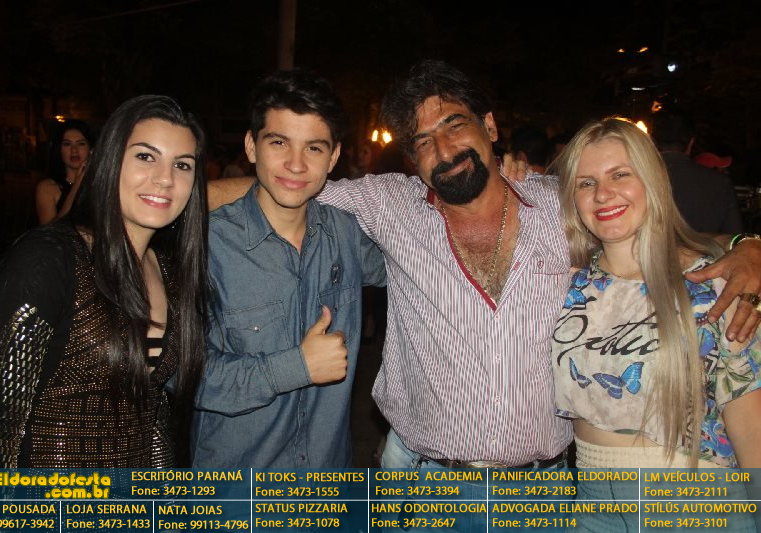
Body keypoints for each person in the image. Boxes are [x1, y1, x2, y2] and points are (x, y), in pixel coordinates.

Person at [207, 60, 761, 471]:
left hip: (538, 488)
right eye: (423, 141)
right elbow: (287, 185)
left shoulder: (561, 204)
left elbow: (649, 230)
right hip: (423, 479)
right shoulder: (389, 205)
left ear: (490, 127)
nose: (444, 150)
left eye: (455, 125)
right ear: (412, 159)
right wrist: (169, 196)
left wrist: (746, 245)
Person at [0, 95, 209, 468]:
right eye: (146, 156)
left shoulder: (171, 272)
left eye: (182, 164)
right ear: (110, 160)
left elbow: (153, 412)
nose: (165, 178)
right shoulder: (48, 260)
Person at [191, 70, 386, 469]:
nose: (296, 164)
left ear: (333, 157)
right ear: (251, 146)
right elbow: (182, 375)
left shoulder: (348, 237)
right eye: (279, 142)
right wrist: (296, 367)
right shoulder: (207, 245)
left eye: (313, 148)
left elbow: (426, 264)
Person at [552, 117, 761, 470]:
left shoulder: (710, 286)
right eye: (586, 182)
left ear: (652, 180)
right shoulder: (567, 287)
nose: (602, 194)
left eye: (620, 174)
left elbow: (752, 433)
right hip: (590, 497)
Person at [652, 111, 742, 234]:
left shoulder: (637, 178)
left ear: (653, 142)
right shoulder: (719, 183)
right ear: (691, 142)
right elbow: (734, 236)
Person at [35, 119, 95, 224]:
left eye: (81, 144)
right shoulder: (47, 188)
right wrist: (77, 183)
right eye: (67, 144)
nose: (74, 150)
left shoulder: (99, 185)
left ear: (91, 149)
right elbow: (50, 231)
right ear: (59, 149)